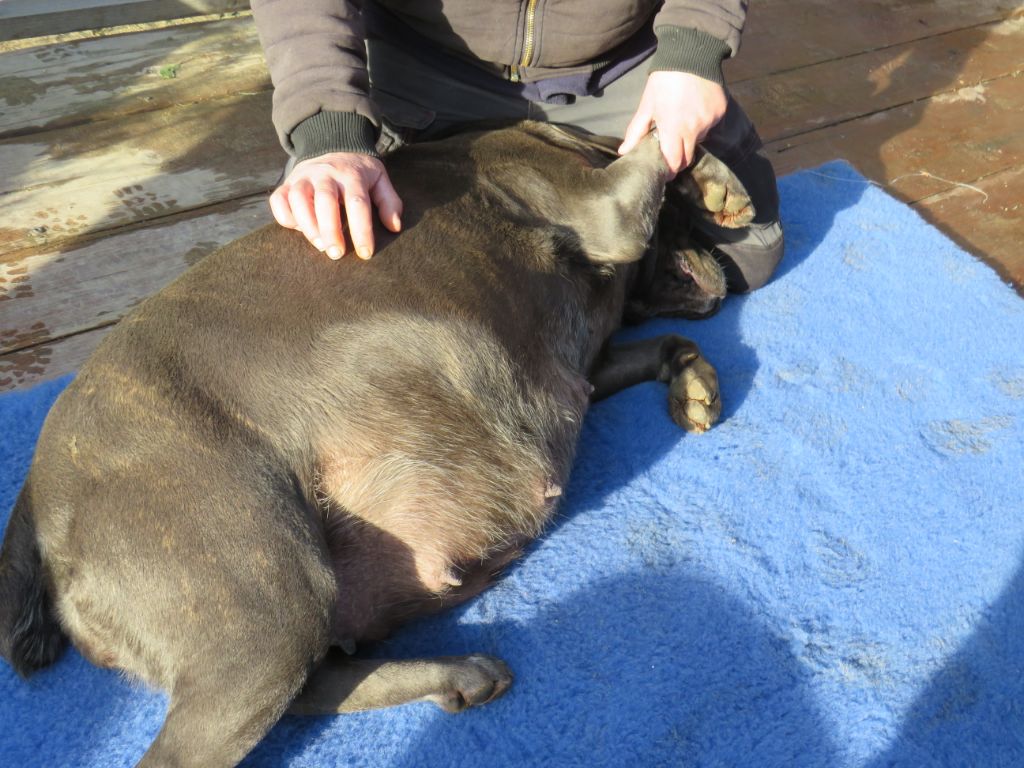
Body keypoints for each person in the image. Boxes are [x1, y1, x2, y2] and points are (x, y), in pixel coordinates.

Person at [250, 0, 783, 293]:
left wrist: (694, 52)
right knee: (327, 269)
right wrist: (330, 135)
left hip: (620, 69)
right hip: (424, 73)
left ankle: (628, 223)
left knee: (748, 257)